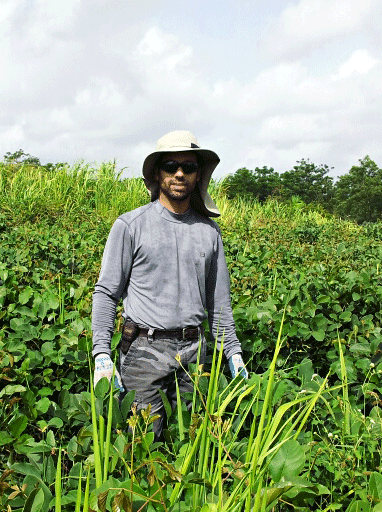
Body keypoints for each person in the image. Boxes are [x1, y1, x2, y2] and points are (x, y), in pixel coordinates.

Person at [91, 130, 248, 440]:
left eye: (188, 167)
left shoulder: (209, 232)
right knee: (142, 450)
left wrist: (232, 351)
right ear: (157, 174)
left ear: (198, 175)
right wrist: (101, 352)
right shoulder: (130, 225)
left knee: (193, 446)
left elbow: (219, 303)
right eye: (171, 166)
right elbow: (107, 292)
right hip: (144, 354)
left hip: (194, 354)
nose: (180, 173)